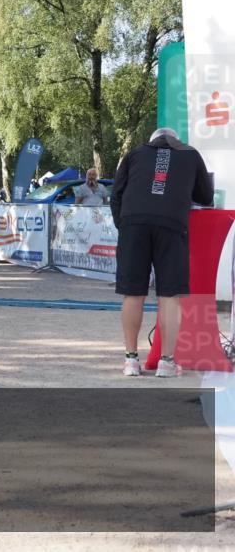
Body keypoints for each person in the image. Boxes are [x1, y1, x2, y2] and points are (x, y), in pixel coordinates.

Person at [111, 127, 213, 378]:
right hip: (171, 225)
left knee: (132, 293)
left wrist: (123, 225)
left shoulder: (134, 154)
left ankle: (131, 360)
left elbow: (116, 195)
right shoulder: (190, 154)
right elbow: (206, 195)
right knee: (170, 295)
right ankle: (167, 362)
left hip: (134, 224)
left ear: (152, 141)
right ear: (176, 140)